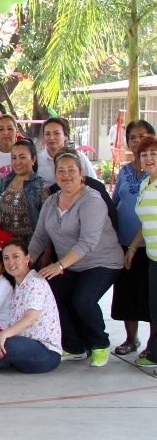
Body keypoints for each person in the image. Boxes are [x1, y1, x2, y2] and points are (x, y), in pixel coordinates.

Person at [30, 151, 123, 367]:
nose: (66, 175)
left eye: (71, 170)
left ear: (82, 174)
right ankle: (74, 346)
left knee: (83, 299)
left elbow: (87, 242)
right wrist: (27, 261)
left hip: (102, 261)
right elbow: (41, 236)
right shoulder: (51, 201)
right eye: (61, 171)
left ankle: (100, 343)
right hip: (73, 265)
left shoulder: (92, 200)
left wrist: (59, 265)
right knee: (50, 294)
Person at [0, 239, 62, 376]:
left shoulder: (35, 282)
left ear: (27, 258)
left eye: (15, 256)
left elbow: (29, 319)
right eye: (6, 258)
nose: (11, 262)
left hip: (45, 351)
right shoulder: (17, 284)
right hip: (21, 342)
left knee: (6, 345)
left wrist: (3, 335)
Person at [112, 122, 155, 359]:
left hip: (151, 247)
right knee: (127, 294)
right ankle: (131, 339)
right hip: (126, 243)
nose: (137, 141)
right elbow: (115, 202)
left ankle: (153, 346)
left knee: (151, 296)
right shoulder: (125, 171)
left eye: (143, 136)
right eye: (132, 137)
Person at [127, 134, 157, 366]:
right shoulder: (146, 183)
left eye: (153, 153)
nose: (148, 158)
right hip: (152, 256)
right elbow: (144, 223)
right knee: (154, 308)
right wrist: (132, 247)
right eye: (144, 154)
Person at [0, 139, 50, 245]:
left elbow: (48, 221)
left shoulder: (40, 185)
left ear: (33, 159)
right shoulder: (7, 180)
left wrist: (46, 249)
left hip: (30, 246)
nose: (17, 162)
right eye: (14, 158)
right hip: (7, 244)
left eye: (22, 157)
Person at [37, 117, 96, 185]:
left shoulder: (80, 158)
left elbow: (94, 184)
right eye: (47, 134)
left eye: (56, 133)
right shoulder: (37, 160)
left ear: (66, 136)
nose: (51, 137)